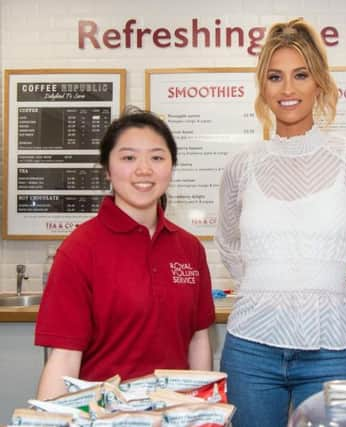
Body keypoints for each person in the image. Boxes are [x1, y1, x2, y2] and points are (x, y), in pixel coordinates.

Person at [216, 17, 346, 427]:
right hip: (250, 350)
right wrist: (263, 289)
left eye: (300, 75)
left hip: (330, 348)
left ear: (319, 84)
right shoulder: (241, 165)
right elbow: (226, 242)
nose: (288, 89)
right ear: (263, 87)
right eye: (275, 77)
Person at [35, 109, 215, 399]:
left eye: (157, 157)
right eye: (128, 157)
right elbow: (65, 357)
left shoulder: (189, 248)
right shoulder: (79, 249)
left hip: (172, 413)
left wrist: (200, 411)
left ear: (171, 166)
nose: (144, 170)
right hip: (103, 414)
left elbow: (198, 340)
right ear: (107, 169)